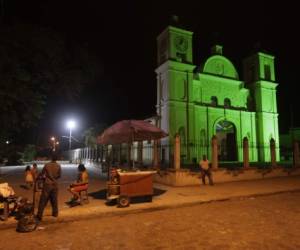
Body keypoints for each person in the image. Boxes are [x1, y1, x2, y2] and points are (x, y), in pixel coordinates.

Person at [36, 154, 61, 221]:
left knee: (43, 200)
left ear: (51, 158)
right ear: (56, 159)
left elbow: (42, 173)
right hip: (55, 185)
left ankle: (39, 215)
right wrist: (54, 178)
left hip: (47, 184)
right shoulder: (58, 166)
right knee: (54, 200)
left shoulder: (47, 165)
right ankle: (55, 214)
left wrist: (41, 178)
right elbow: (59, 175)